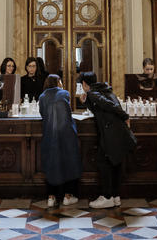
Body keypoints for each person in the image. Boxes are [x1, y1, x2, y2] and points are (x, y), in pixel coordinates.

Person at [78, 71, 137, 209]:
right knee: (115, 162)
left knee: (102, 162)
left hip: (110, 132)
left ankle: (107, 197)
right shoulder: (104, 89)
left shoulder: (93, 93)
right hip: (117, 131)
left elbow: (107, 105)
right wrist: (86, 101)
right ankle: (115, 196)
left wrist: (125, 115)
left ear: (85, 84)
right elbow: (101, 108)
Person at [39, 75, 82, 208]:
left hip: (49, 134)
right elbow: (68, 113)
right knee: (68, 162)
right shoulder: (64, 93)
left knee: (52, 162)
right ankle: (68, 196)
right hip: (66, 133)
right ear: (58, 82)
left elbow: (42, 114)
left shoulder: (42, 97)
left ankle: (51, 197)